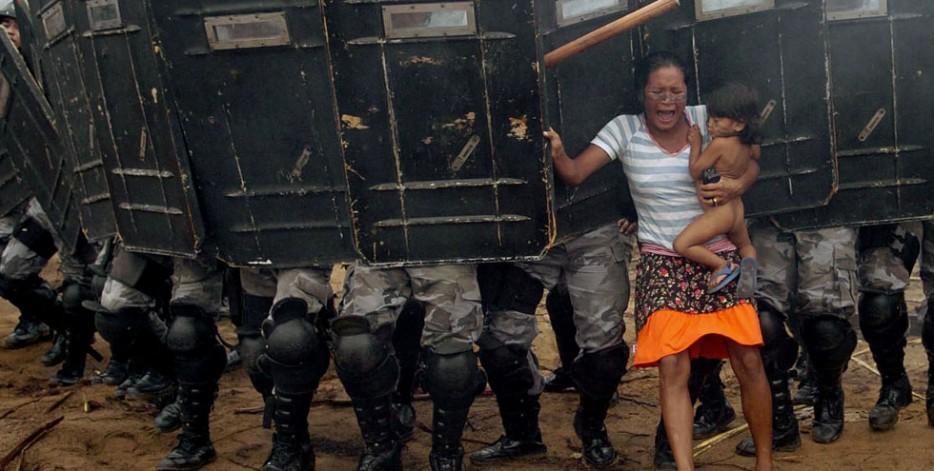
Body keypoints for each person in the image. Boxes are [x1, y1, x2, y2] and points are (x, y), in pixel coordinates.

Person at [545, 51, 773, 471]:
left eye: (676, 91)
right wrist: (558, 149)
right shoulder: (624, 129)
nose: (668, 101)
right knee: (673, 363)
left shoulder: (710, 118)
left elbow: (754, 153)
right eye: (657, 92)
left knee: (748, 357)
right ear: (642, 94)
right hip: (663, 261)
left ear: (687, 92)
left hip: (719, 254)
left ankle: (765, 462)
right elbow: (575, 173)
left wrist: (739, 182)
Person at [471, 223, 634, 469]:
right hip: (524, 230)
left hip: (595, 225)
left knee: (605, 351)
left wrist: (629, 206)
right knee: (500, 342)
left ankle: (592, 430)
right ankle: (521, 434)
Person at [331, 262, 485, 471]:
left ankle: (446, 455)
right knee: (356, 344)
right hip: (376, 252)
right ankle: (381, 450)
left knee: (452, 358)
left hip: (444, 251)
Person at [673, 83, 760, 293]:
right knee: (745, 245)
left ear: (738, 124)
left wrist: (696, 144)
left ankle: (722, 265)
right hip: (737, 210)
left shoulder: (720, 144)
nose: (710, 125)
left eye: (716, 121)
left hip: (720, 212)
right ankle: (750, 266)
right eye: (709, 120)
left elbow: (695, 170)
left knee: (682, 245)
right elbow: (755, 160)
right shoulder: (749, 144)